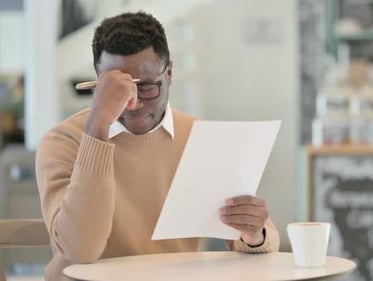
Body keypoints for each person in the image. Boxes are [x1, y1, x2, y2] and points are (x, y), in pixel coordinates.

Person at [35, 11, 279, 281]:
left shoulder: (198, 136)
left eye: (148, 87)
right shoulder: (62, 142)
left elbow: (256, 242)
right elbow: (81, 250)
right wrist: (97, 128)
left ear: (170, 73)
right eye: (118, 89)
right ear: (99, 82)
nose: (134, 103)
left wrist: (254, 233)